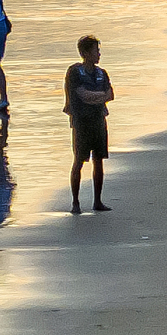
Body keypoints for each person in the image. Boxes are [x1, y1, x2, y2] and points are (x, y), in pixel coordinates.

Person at [64, 36, 114, 213]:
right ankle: (75, 203)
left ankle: (98, 201)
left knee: (98, 161)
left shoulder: (102, 73)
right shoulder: (75, 73)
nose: (99, 54)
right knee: (78, 161)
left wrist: (95, 98)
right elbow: (83, 95)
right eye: (95, 51)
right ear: (85, 53)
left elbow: (110, 95)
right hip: (81, 123)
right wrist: (99, 97)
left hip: (98, 121)